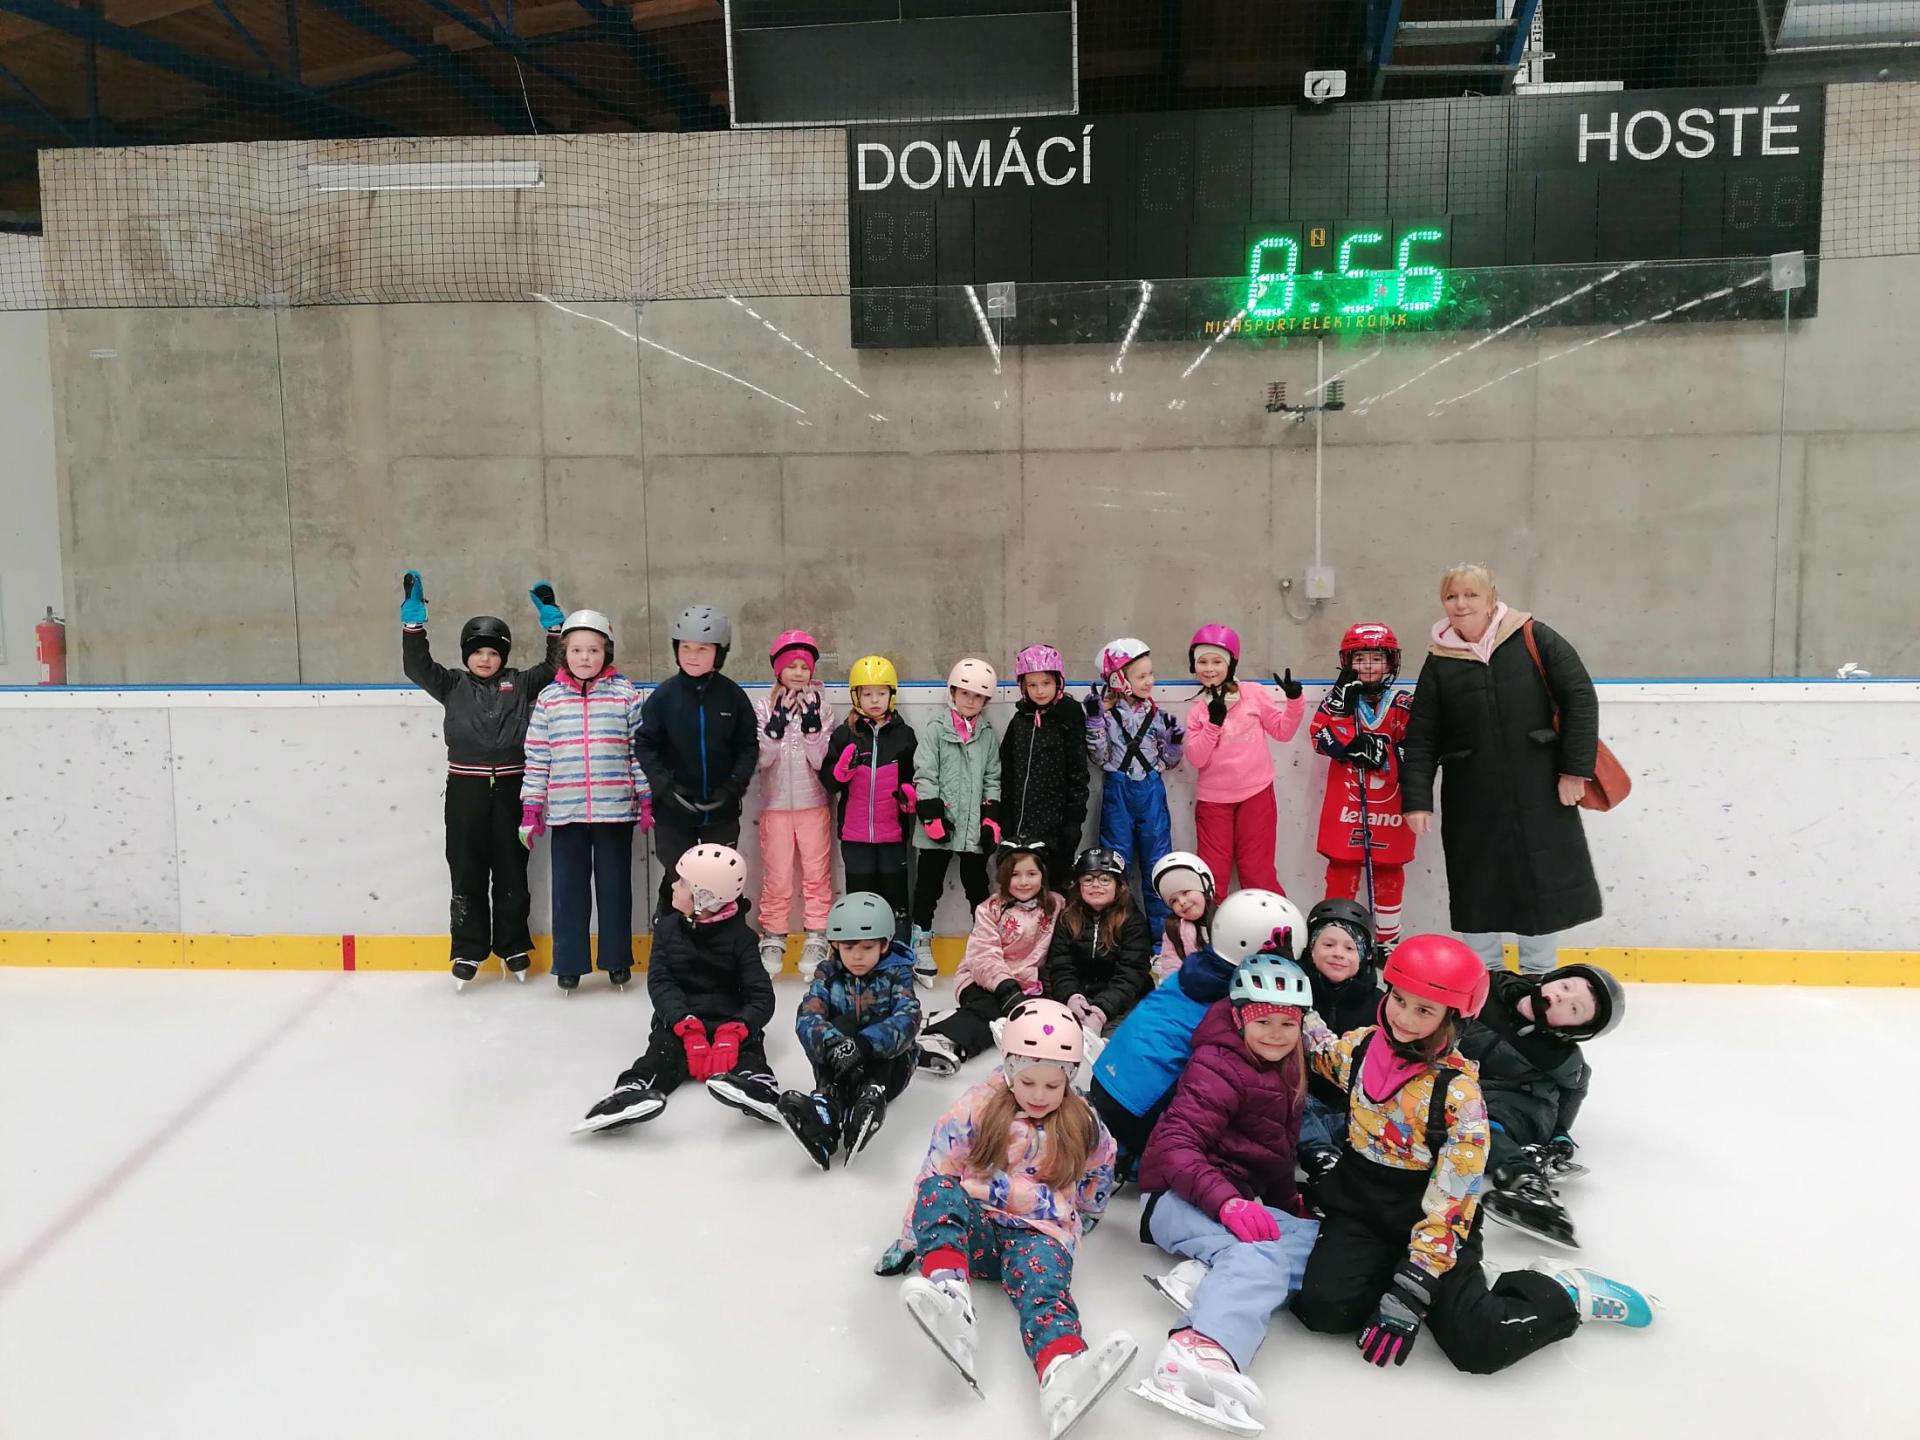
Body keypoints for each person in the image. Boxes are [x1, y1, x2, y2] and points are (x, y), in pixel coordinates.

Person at [1291, 935, 1657, 1373]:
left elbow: (1453, 1198)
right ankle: (1408, 1268)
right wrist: (1293, 994)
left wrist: (1415, 1283)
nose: (1403, 1017)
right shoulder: (1363, 1048)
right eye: (1400, 999)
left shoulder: (1459, 1096)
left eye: (1424, 1010)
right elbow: (1323, 1049)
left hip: (1431, 1214)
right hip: (1359, 1206)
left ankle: (1563, 1291)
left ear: (1453, 1018)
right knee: (1325, 1310)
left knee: (1478, 1344)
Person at [896, 998, 1137, 1436]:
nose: (1039, 1095)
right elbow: (937, 1167)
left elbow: (1102, 1165)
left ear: (1069, 1079)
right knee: (939, 1191)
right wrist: (910, 1237)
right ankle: (950, 1295)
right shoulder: (978, 1106)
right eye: (1028, 1082)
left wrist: (1086, 1214)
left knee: (1045, 1294)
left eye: (1053, 1085)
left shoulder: (1082, 1120)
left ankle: (1061, 1367)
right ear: (1009, 1070)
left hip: (1038, 1236)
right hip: (978, 1233)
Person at [1131, 954, 1320, 1436]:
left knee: (1317, 1241)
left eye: (1287, 1024)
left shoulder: (1287, 1067)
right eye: (1263, 1021)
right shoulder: (1216, 1064)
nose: (1276, 1034)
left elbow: (1276, 1154)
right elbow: (1175, 1147)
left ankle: (1211, 1277)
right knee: (1260, 1258)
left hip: (1233, 1195)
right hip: (1174, 1197)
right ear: (1238, 1017)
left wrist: (1287, 1207)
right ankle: (1197, 1349)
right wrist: (1227, 1203)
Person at [1400, 564, 1603, 974]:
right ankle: (1486, 981)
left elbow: (1580, 698)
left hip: (1540, 788)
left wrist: (1574, 770)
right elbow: (1422, 736)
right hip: (1470, 797)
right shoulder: (1439, 661)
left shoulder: (1533, 636)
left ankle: (1538, 977)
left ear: (1491, 598)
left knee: (1541, 880)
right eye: (1451, 596)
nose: (1460, 604)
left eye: (1470, 595)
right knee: (1477, 887)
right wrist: (1417, 800)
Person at [399, 570, 565, 990]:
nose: (485, 659)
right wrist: (413, 624)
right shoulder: (451, 683)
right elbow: (416, 665)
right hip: (466, 791)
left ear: (503, 656)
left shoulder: (521, 683)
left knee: (511, 870)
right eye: (477, 652)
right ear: (466, 656)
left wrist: (555, 628)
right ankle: (468, 948)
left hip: (512, 788)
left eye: (493, 652)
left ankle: (513, 944)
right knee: (467, 870)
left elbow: (556, 667)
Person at [1088, 888, 1305, 1179]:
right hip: (1139, 1110)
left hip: (1105, 1083)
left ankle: (1127, 1149)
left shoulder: (1200, 968)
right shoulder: (1235, 997)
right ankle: (1145, 1157)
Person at [570, 845, 781, 1132]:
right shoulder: (667, 930)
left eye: (682, 882)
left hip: (729, 1026)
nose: (673, 885)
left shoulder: (742, 938)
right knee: (661, 1053)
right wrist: (684, 1024)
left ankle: (760, 1087)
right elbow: (660, 982)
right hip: (680, 1025)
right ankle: (630, 1091)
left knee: (750, 1054)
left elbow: (761, 995)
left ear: (703, 897)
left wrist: (737, 1029)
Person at [519, 609, 649, 992]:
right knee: (569, 892)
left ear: (606, 652)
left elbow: (638, 752)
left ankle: (617, 960)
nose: (585, 657)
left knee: (614, 890)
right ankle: (569, 962)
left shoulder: (625, 694)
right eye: (577, 650)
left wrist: (646, 798)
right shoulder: (549, 699)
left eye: (593, 650)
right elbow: (537, 757)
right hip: (567, 813)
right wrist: (531, 807)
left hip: (615, 811)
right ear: (565, 653)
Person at [1461, 962, 1625, 1249]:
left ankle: (1530, 1186)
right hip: (1468, 1080)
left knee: (1480, 1127)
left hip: (1523, 1100)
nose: (1562, 997)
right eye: (1565, 986)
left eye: (1574, 1009)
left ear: (1572, 1030)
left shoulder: (1558, 1054)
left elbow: (1576, 1087)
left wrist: (1560, 1130)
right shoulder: (1492, 987)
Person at [777, 892, 922, 1169]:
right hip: (839, 1067)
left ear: (884, 944)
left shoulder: (897, 974)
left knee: (884, 1029)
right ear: (835, 945)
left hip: (890, 1071)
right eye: (848, 947)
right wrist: (834, 1044)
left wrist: (863, 1045)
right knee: (838, 1024)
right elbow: (807, 1015)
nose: (857, 956)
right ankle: (826, 1109)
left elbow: (909, 1017)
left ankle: (869, 1100)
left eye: (867, 947)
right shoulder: (828, 973)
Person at [634, 604, 760, 919]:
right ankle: (670, 935)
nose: (692, 656)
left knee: (720, 881)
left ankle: (725, 939)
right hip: (673, 811)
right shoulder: (664, 697)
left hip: (721, 812)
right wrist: (664, 786)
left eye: (702, 649)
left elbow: (748, 746)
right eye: (686, 648)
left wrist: (733, 786)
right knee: (678, 879)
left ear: (719, 653)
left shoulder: (733, 698)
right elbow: (645, 744)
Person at [915, 841, 1064, 1076]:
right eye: (1015, 874)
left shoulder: (1055, 905)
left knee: (1036, 1019)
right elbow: (984, 954)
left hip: (1029, 984)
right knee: (990, 1010)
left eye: (1031, 874)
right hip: (982, 979)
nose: (1024, 881)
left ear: (1042, 875)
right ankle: (941, 1039)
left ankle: (951, 1017)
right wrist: (1006, 987)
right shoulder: (990, 909)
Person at [1311, 622, 1416, 949]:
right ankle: (1335, 939)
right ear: (1348, 662)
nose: (1368, 666)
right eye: (1360, 659)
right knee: (1341, 869)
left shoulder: (1404, 702)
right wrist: (1346, 735)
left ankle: (1386, 942)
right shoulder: (1338, 699)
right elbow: (1318, 738)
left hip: (1390, 807)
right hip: (1347, 806)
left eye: (1376, 658)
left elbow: (1420, 749)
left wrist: (1385, 754)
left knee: (1389, 872)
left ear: (1390, 662)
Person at [1184, 623, 1305, 897]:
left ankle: (1274, 922)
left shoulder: (1253, 693)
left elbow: (1283, 732)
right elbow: (1197, 759)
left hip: (1256, 794)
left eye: (1217, 661)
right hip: (1213, 801)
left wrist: (1294, 701)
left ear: (1231, 664)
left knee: (1257, 871)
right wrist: (1213, 723)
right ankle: (1210, 922)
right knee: (1212, 875)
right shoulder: (1198, 709)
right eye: (1202, 662)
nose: (1209, 669)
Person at [908, 657, 1004, 989]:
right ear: (952, 692)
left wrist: (991, 818)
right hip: (938, 825)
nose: (970, 701)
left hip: (972, 828)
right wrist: (930, 813)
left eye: (978, 696)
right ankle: (920, 941)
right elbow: (925, 772)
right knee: (928, 886)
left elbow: (992, 778)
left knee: (977, 886)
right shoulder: (937, 728)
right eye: (965, 693)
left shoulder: (987, 735)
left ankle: (984, 945)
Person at [1085, 637, 1184, 934]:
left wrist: (1174, 745)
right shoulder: (1105, 716)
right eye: (1141, 676)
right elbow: (1100, 758)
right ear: (1119, 680)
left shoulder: (1157, 716)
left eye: (1151, 674)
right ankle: (1118, 935)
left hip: (1151, 791)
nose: (1149, 681)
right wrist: (1095, 723)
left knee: (1158, 865)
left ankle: (1161, 940)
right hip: (1118, 791)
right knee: (1116, 866)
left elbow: (1168, 762)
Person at [752, 628, 836, 979]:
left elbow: (820, 761)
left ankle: (817, 934)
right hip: (775, 806)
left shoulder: (821, 705)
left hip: (812, 803)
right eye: (792, 666)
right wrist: (774, 729)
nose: (799, 673)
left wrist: (812, 730)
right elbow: (762, 761)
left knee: (817, 875)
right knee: (777, 876)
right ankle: (774, 935)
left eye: (805, 667)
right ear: (778, 669)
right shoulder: (763, 706)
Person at [820, 654, 917, 944]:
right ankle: (859, 948)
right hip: (855, 835)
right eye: (867, 694)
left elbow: (915, 777)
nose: (875, 700)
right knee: (860, 896)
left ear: (891, 695)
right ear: (856, 696)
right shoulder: (844, 734)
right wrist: (840, 772)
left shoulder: (904, 736)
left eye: (881, 693)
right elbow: (829, 782)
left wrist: (910, 799)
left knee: (895, 894)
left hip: (892, 834)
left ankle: (898, 947)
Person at [1296, 898, 1383, 1195]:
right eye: (1328, 944)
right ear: (1311, 949)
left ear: (1365, 955)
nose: (1338, 954)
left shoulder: (1379, 1003)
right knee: (1291, 1102)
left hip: (1351, 1107)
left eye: (1349, 948)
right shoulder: (1296, 991)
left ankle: (1358, 1168)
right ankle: (1322, 1159)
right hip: (1306, 1101)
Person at [1000, 644, 1090, 892]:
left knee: (1054, 886)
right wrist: (1004, 815)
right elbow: (1006, 769)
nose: (1039, 691)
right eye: (1032, 685)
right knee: (1022, 884)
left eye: (1046, 683)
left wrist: (1073, 821)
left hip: (1056, 825)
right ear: (1023, 687)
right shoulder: (1020, 720)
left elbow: (1078, 773)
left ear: (1058, 682)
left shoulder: (1068, 719)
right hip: (1020, 823)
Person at [1046, 846, 1154, 1039]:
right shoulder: (1067, 918)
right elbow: (1061, 966)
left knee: (1117, 1039)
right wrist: (1072, 997)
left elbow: (1131, 974)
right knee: (1058, 1034)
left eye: (1105, 879)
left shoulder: (1133, 921)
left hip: (1123, 1000)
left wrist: (1102, 1010)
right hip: (1081, 996)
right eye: (1088, 879)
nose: (1096, 885)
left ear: (1119, 885)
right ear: (1078, 885)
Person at [1149, 850, 1216, 980]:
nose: (1182, 902)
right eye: (1173, 900)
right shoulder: (1174, 929)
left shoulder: (1227, 919)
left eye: (1185, 892)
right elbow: (1171, 967)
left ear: (1204, 887)